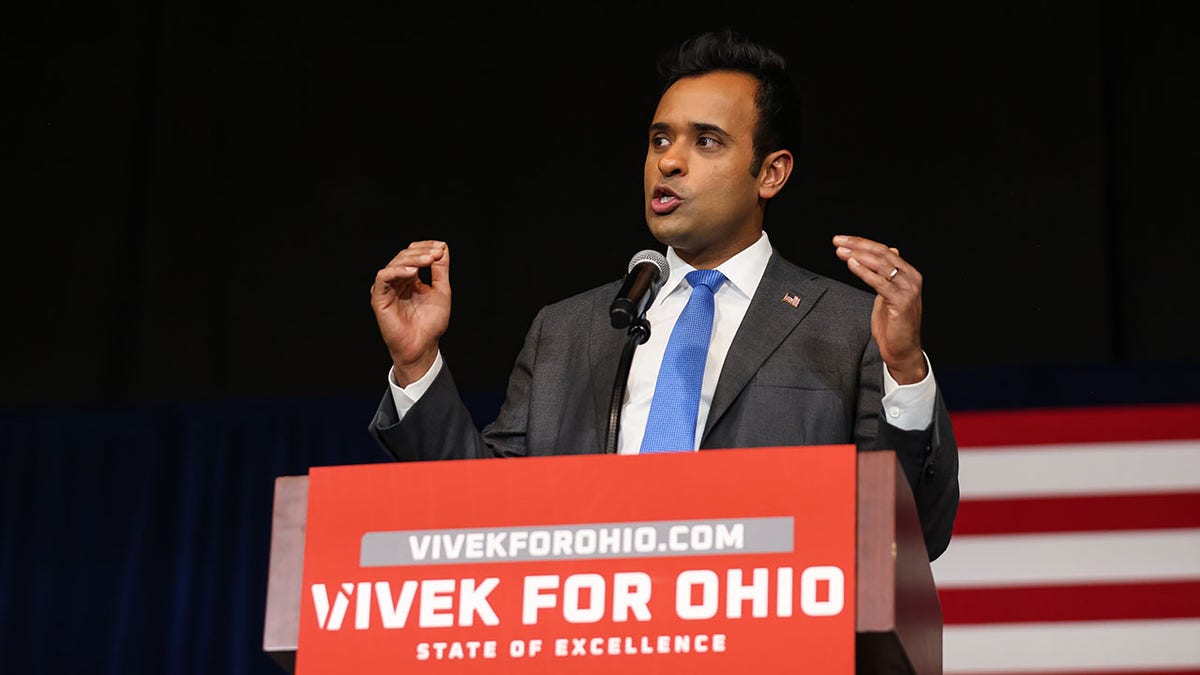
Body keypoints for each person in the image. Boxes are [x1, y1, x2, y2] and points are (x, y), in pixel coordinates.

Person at [367, 28, 959, 560]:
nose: (669, 162)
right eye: (659, 139)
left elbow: (910, 534)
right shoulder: (569, 330)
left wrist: (904, 370)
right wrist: (416, 364)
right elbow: (480, 515)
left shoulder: (847, 327)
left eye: (706, 142)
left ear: (771, 173)